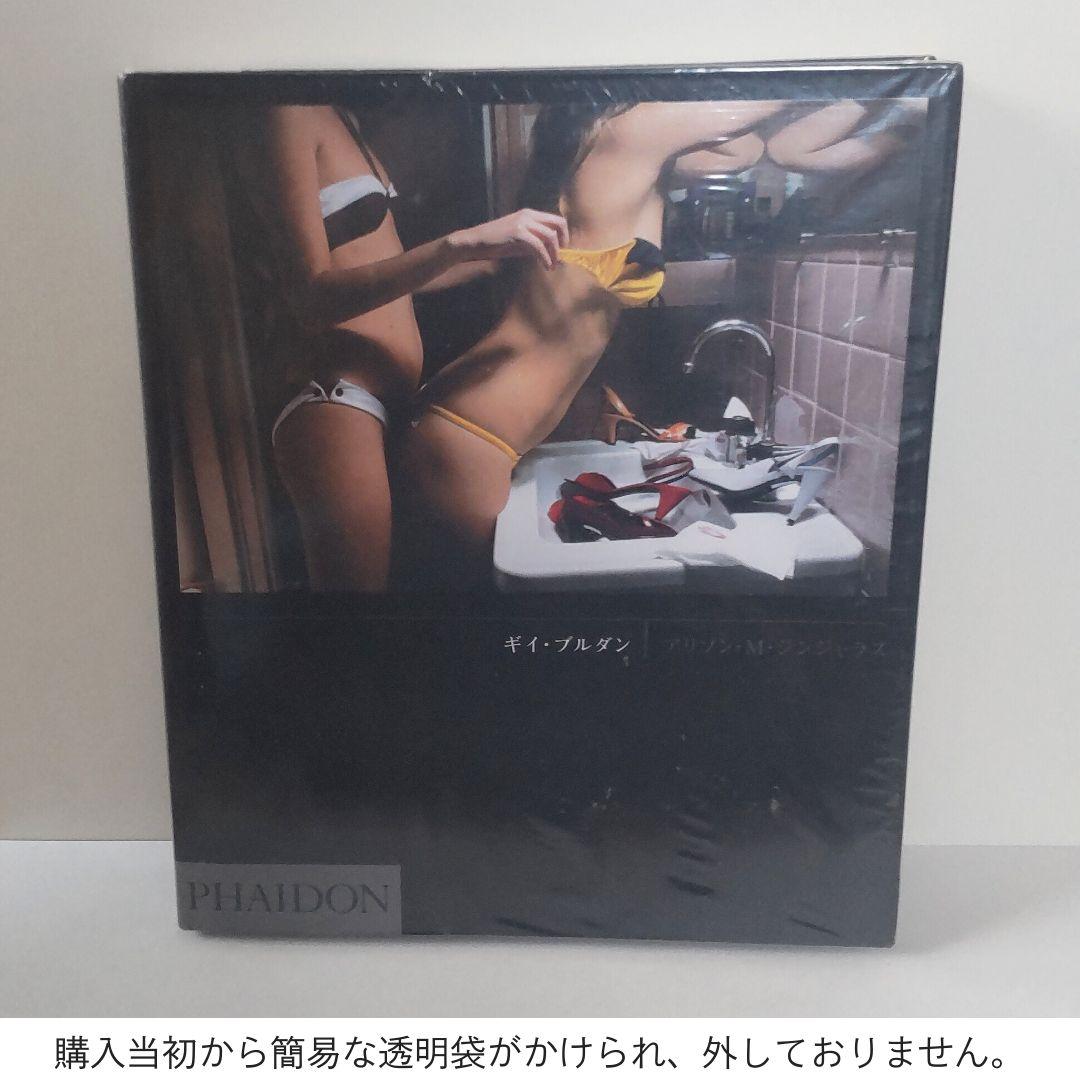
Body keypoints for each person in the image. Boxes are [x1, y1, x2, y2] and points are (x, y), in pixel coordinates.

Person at [393, 101, 786, 588]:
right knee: (484, 620)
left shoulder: (601, 163)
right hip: (469, 439)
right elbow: (769, 98)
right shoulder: (628, 131)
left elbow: (743, 149)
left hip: (466, 426)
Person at [258, 104, 569, 591]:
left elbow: (378, 272)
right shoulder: (288, 113)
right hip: (335, 398)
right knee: (358, 616)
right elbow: (310, 298)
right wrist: (460, 245)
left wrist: (491, 261)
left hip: (389, 402)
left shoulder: (346, 116)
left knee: (393, 605)